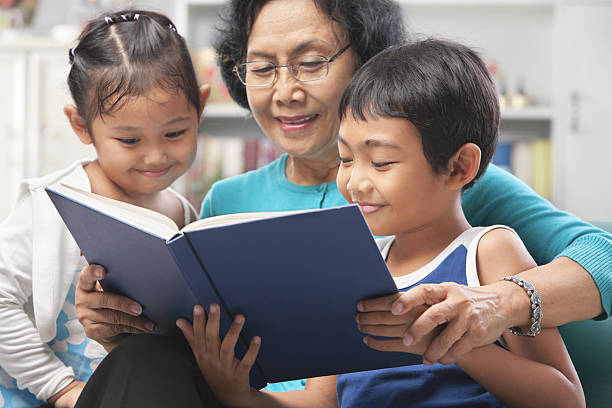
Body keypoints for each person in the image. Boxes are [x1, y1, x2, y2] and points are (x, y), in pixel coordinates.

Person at [75, 0, 611, 394]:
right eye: (263, 68)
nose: (285, 90)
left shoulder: (454, 186)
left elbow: (604, 259)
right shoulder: (225, 200)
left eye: (311, 62)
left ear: (368, 62)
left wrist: (497, 306)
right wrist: (119, 322)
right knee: (141, 359)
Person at [0, 9, 209, 408]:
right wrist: (57, 387)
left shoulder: (185, 215)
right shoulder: (52, 205)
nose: (155, 155)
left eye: (175, 132)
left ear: (200, 108)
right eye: (129, 140)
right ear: (81, 126)